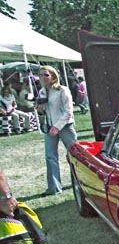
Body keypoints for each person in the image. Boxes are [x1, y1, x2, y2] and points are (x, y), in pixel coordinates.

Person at [36, 65, 77, 196]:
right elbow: (44, 112)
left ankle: (79, 182)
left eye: (46, 75)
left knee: (74, 155)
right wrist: (40, 110)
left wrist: (57, 126)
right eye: (41, 75)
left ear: (53, 76)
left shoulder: (62, 90)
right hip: (50, 127)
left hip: (65, 127)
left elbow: (68, 112)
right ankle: (54, 187)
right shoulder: (42, 92)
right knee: (50, 156)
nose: (43, 77)